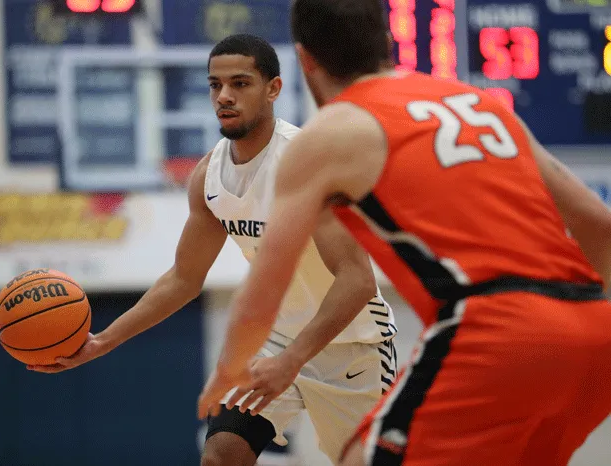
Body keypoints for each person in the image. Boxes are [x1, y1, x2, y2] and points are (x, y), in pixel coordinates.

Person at [197, 2, 611, 466]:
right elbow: (600, 226)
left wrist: (230, 367)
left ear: (305, 59)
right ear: (386, 41)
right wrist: (573, 321)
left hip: (494, 327)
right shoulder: (476, 102)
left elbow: (266, 284)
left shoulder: (329, 133)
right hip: (596, 333)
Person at [29, 33, 398, 466]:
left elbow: (357, 280)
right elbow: (183, 279)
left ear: (274, 89)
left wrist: (293, 360)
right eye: (215, 85)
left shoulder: (306, 161)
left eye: (240, 83)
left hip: (351, 346)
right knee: (221, 455)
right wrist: (101, 342)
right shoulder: (209, 176)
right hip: (273, 340)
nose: (224, 96)